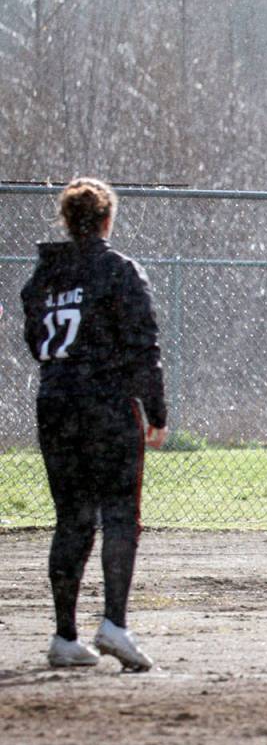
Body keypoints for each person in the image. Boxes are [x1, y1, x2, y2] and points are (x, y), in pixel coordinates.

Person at [21, 178, 168, 671]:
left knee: (73, 518)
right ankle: (114, 625)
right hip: (105, 405)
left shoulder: (43, 278)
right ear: (106, 221)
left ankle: (65, 636)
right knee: (121, 515)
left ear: (67, 221)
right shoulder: (118, 270)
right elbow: (144, 345)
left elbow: (35, 341)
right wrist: (156, 411)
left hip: (55, 403)